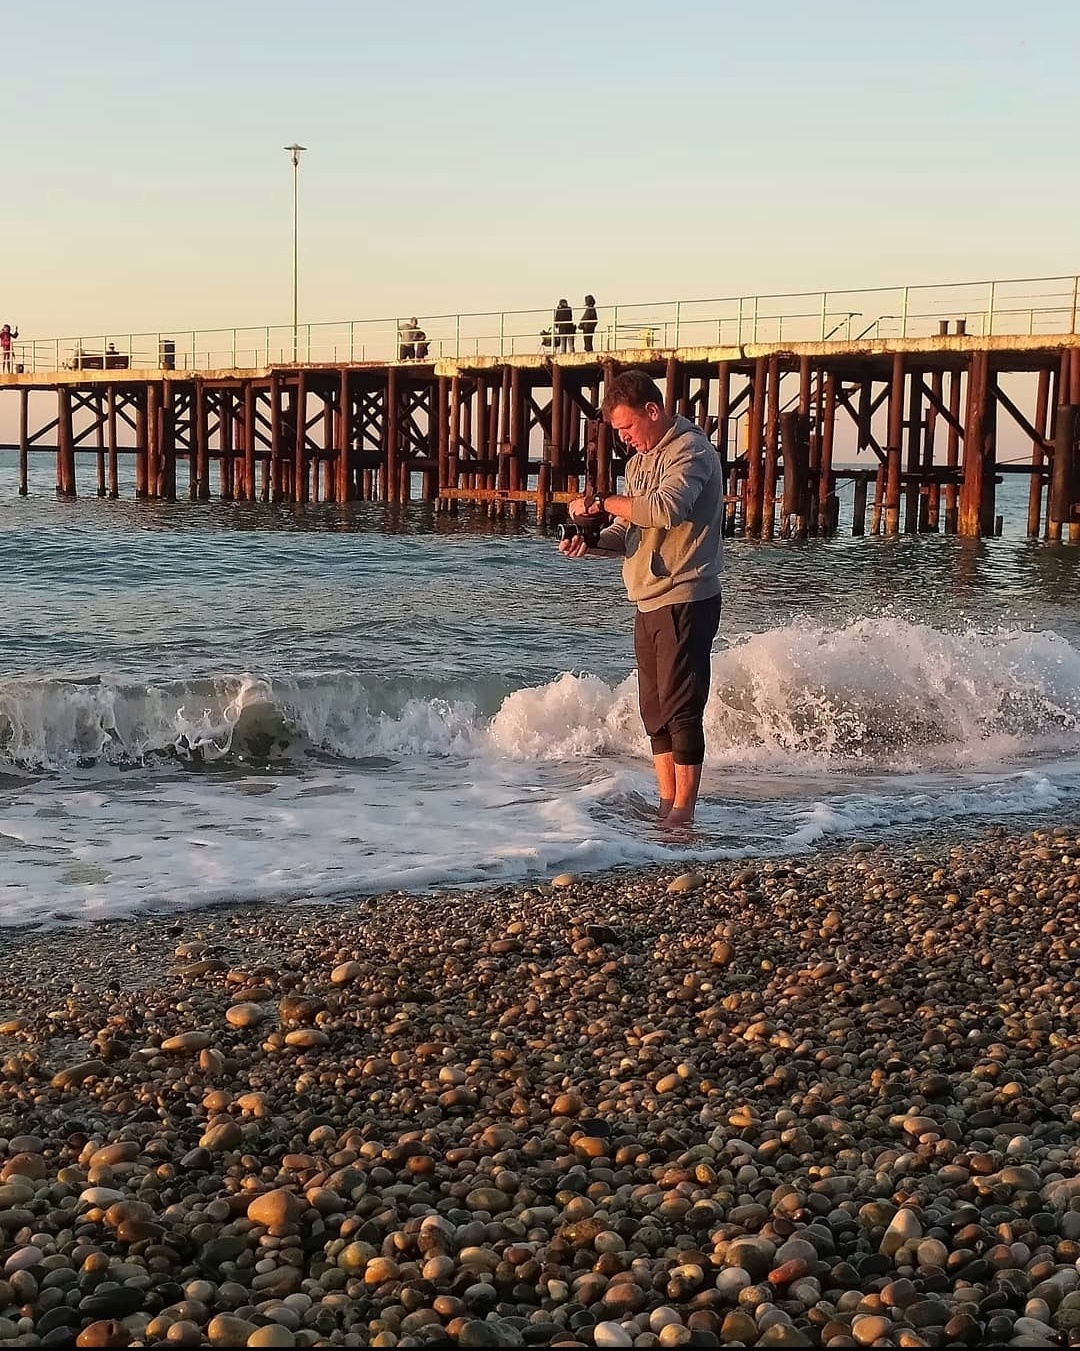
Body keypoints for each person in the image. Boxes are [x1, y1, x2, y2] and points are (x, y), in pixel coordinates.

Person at [558, 369, 724, 827]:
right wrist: (589, 542)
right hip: (647, 598)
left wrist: (601, 500)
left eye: (628, 428)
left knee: (681, 706)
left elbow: (665, 509)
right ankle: (666, 803)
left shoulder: (690, 450)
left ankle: (683, 815)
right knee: (654, 710)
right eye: (618, 432)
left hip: (686, 595)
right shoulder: (639, 463)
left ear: (653, 411)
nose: (625, 439)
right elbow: (629, 531)